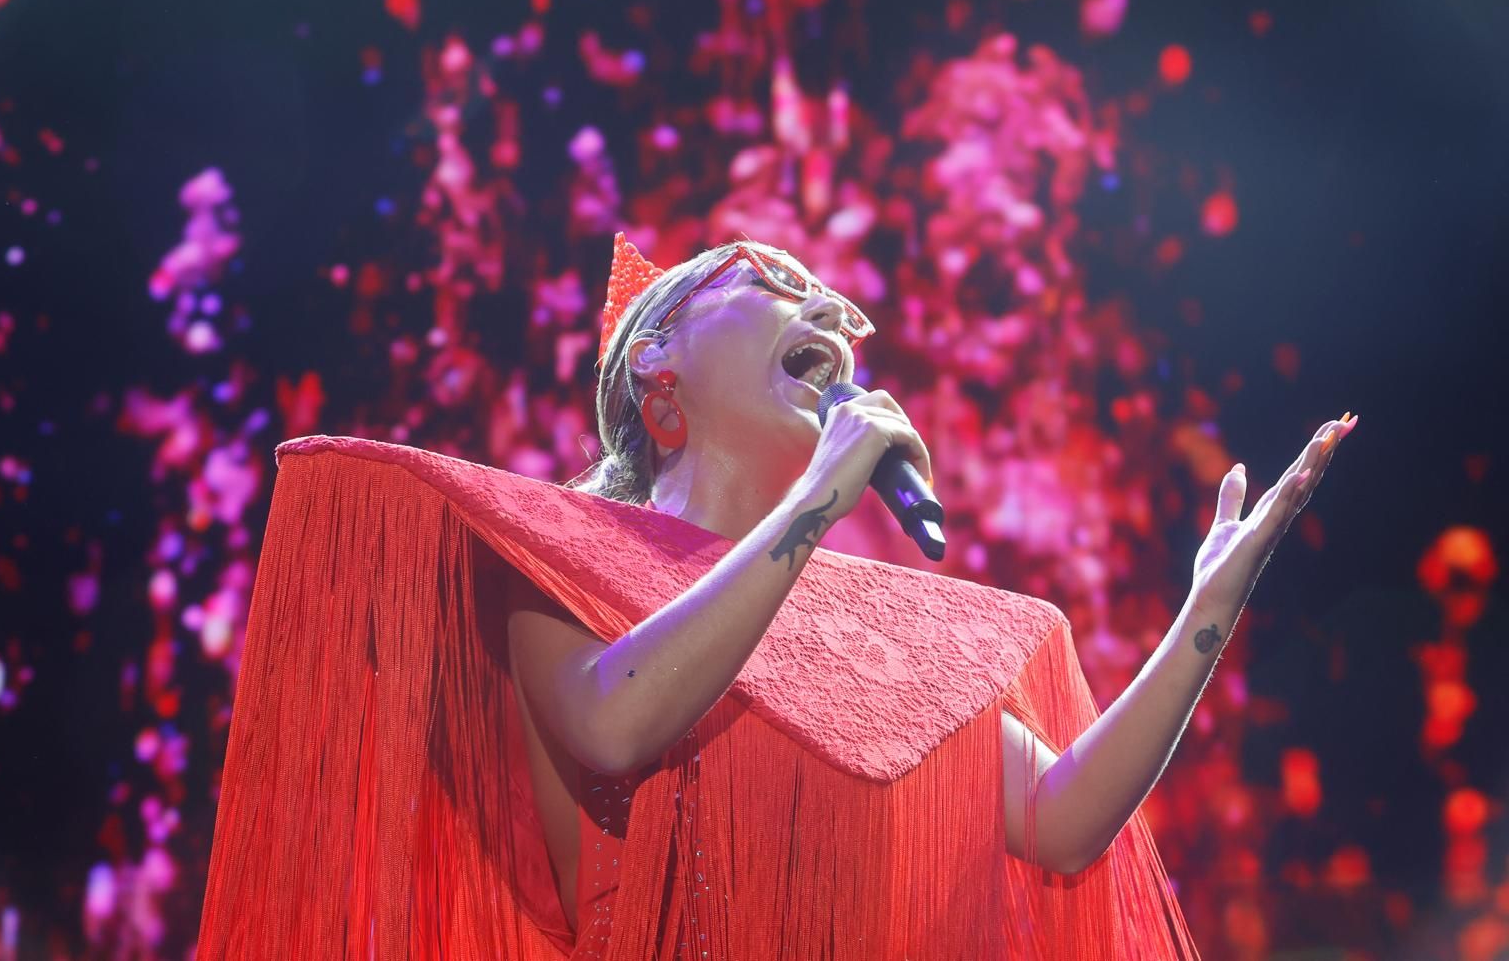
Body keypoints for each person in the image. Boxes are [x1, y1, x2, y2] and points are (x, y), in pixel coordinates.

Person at [195, 233, 1355, 960]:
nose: (838, 320)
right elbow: (611, 723)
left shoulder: (880, 634)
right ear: (657, 366)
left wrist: (1208, 609)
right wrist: (819, 494)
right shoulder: (550, 550)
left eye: (837, 306)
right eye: (777, 285)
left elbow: (1060, 820)